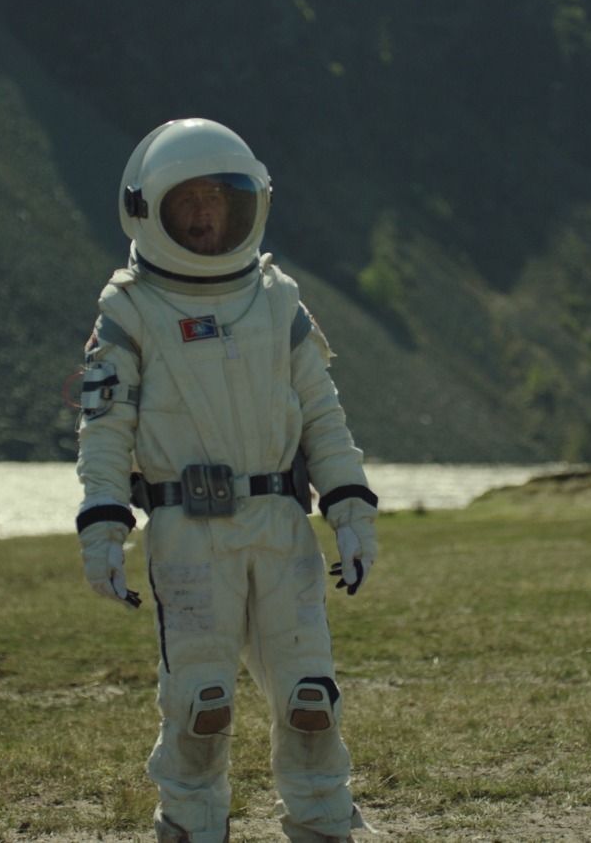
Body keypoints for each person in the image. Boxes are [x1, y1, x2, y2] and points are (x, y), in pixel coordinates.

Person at [74, 118, 379, 843]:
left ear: (250, 204)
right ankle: (190, 823)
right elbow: (104, 430)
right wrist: (103, 528)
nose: (207, 215)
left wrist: (352, 511)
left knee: (311, 697)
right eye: (189, 202)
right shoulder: (128, 312)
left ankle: (324, 824)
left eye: (220, 198)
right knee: (199, 703)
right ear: (150, 211)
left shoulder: (277, 302)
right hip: (189, 535)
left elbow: (324, 417)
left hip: (279, 527)